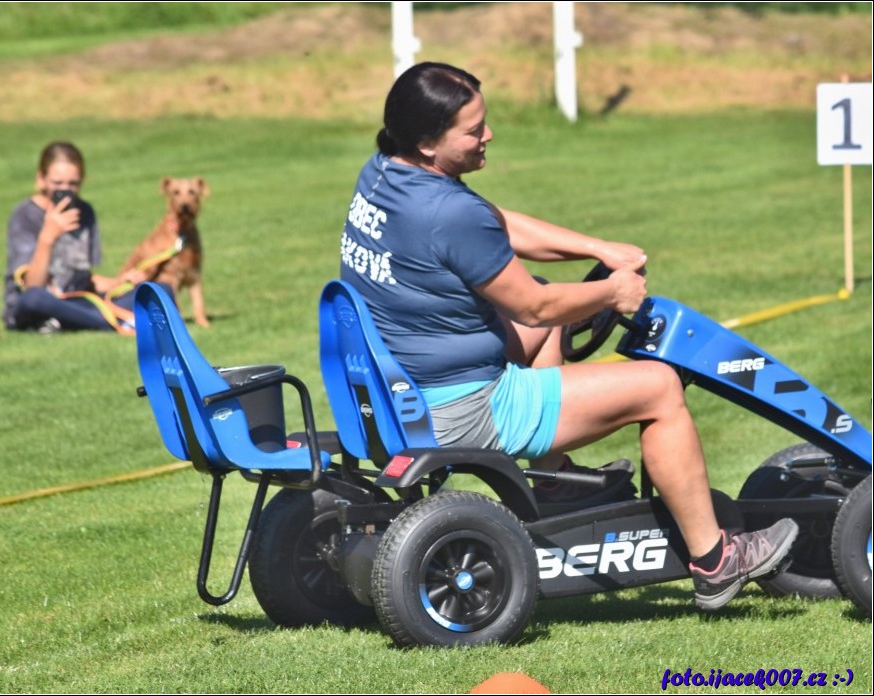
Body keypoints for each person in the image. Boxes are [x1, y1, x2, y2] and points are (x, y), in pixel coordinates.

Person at [338, 61, 798, 611]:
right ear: (428, 142)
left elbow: (492, 223)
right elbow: (534, 308)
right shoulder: (445, 211)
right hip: (460, 406)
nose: (488, 135)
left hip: (401, 386)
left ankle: (552, 483)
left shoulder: (386, 171)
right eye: (472, 129)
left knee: (550, 318)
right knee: (657, 386)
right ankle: (717, 559)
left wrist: (597, 249)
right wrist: (612, 294)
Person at [2, 141, 150, 334]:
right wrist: (48, 236)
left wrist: (120, 282)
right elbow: (32, 285)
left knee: (157, 289)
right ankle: (112, 323)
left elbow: (84, 279)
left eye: (73, 183)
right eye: (57, 183)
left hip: (77, 300)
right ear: (41, 179)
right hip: (35, 303)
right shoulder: (25, 215)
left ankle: (68, 322)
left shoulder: (85, 212)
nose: (66, 190)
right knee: (34, 300)